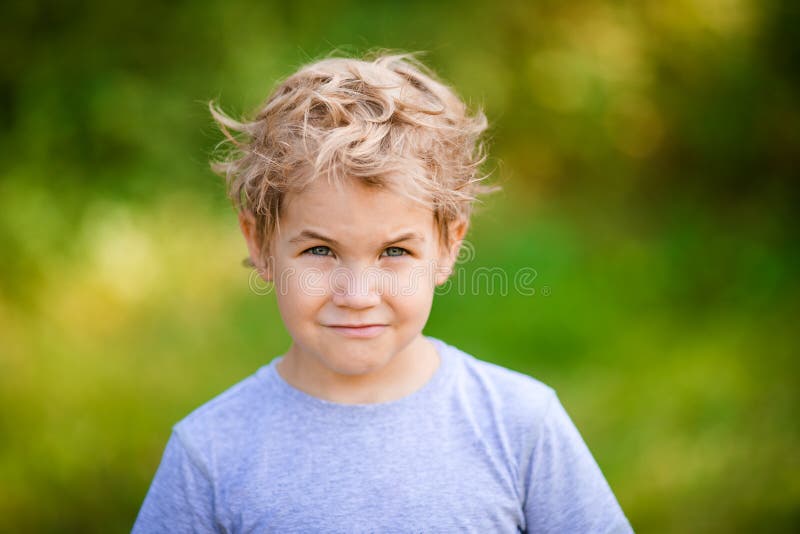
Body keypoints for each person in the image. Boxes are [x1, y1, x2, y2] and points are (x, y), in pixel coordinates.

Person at [132, 51, 633, 533]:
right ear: (260, 243)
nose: (357, 295)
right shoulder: (211, 453)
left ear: (447, 246)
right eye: (321, 251)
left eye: (394, 252)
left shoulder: (520, 425)